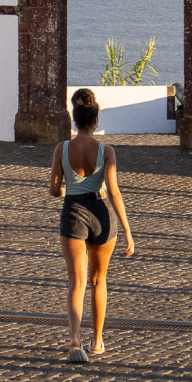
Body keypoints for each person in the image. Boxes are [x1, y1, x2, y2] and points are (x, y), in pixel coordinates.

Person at [49, 88, 135, 362]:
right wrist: (128, 232)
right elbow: (114, 191)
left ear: (74, 119)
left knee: (76, 281)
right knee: (99, 280)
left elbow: (53, 190)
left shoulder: (62, 149)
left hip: (73, 211)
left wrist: (68, 191)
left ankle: (75, 341)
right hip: (101, 213)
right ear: (96, 119)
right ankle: (97, 341)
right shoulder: (106, 150)